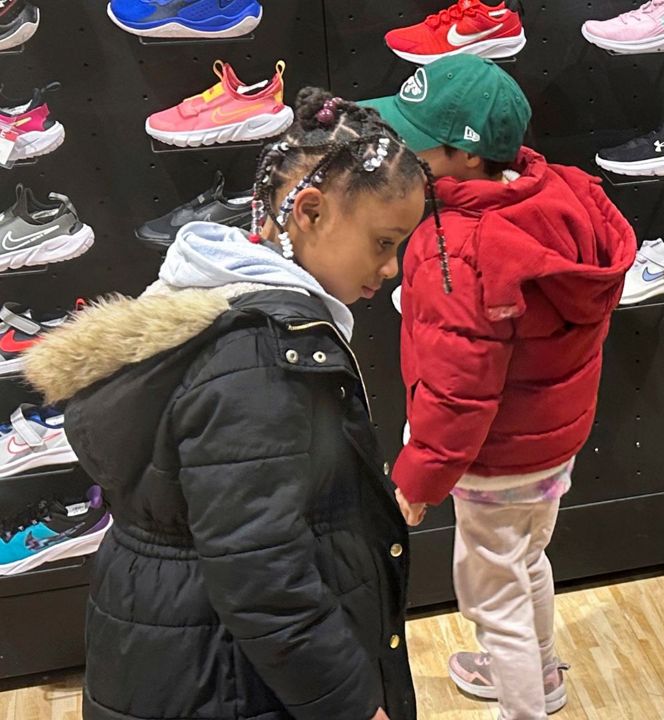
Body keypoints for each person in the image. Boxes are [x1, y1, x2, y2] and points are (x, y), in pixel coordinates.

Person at [22, 89, 427, 720]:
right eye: (383, 242)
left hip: (186, 651)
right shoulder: (260, 361)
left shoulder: (212, 301)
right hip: (226, 677)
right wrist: (350, 705)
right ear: (311, 212)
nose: (393, 266)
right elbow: (263, 575)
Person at [360, 56, 636, 719]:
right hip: (548, 444)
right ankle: (540, 675)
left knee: (494, 597)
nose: (402, 154)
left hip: (494, 458)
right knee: (525, 561)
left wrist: (418, 477)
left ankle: (523, 703)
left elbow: (457, 390)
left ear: (466, 155)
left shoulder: (456, 248)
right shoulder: (557, 194)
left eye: (418, 144)